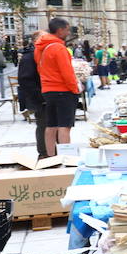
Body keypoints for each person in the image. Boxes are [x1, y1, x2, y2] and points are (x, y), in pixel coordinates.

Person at [35, 17, 80, 158]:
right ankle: (67, 158)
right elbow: (67, 72)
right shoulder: (59, 48)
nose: (68, 33)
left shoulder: (41, 47)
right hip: (63, 90)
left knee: (51, 125)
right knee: (64, 126)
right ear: (60, 30)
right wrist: (75, 89)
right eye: (67, 30)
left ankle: (50, 157)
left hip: (48, 90)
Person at [17, 41, 48, 159]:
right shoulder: (29, 57)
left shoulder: (39, 54)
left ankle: (50, 152)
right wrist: (40, 96)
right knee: (44, 125)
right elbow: (25, 81)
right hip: (40, 98)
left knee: (48, 125)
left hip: (45, 96)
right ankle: (44, 154)